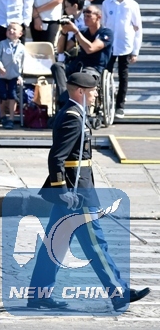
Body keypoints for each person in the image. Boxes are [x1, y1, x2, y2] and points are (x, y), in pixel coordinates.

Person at [26, 71, 150, 312]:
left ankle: (38, 295)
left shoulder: (75, 114)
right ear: (80, 92)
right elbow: (57, 157)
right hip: (77, 195)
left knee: (55, 244)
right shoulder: (72, 117)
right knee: (96, 244)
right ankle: (118, 293)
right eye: (92, 91)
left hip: (76, 190)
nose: (95, 95)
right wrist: (63, 190)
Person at [52, 5, 113, 101]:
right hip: (78, 64)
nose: (85, 18)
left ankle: (67, 99)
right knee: (57, 66)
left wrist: (76, 31)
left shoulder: (106, 33)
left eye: (89, 16)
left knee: (83, 76)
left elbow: (90, 49)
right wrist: (64, 32)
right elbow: (61, 50)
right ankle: (64, 97)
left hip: (93, 68)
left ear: (99, 17)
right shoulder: (83, 32)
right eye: (84, 16)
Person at [102, 0, 141, 119]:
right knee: (106, 73)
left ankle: (120, 106)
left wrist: (135, 51)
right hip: (109, 45)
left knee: (123, 76)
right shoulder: (107, 3)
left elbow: (138, 29)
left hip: (125, 45)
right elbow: (104, 24)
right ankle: (105, 102)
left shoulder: (132, 5)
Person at [0, 22, 25, 130]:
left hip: (14, 75)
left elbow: (22, 63)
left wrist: (20, 75)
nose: (11, 31)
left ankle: (11, 118)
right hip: (1, 75)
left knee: (12, 95)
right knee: (2, 95)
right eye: (9, 29)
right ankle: (2, 115)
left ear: (20, 33)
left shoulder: (22, 48)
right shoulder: (2, 44)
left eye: (14, 29)